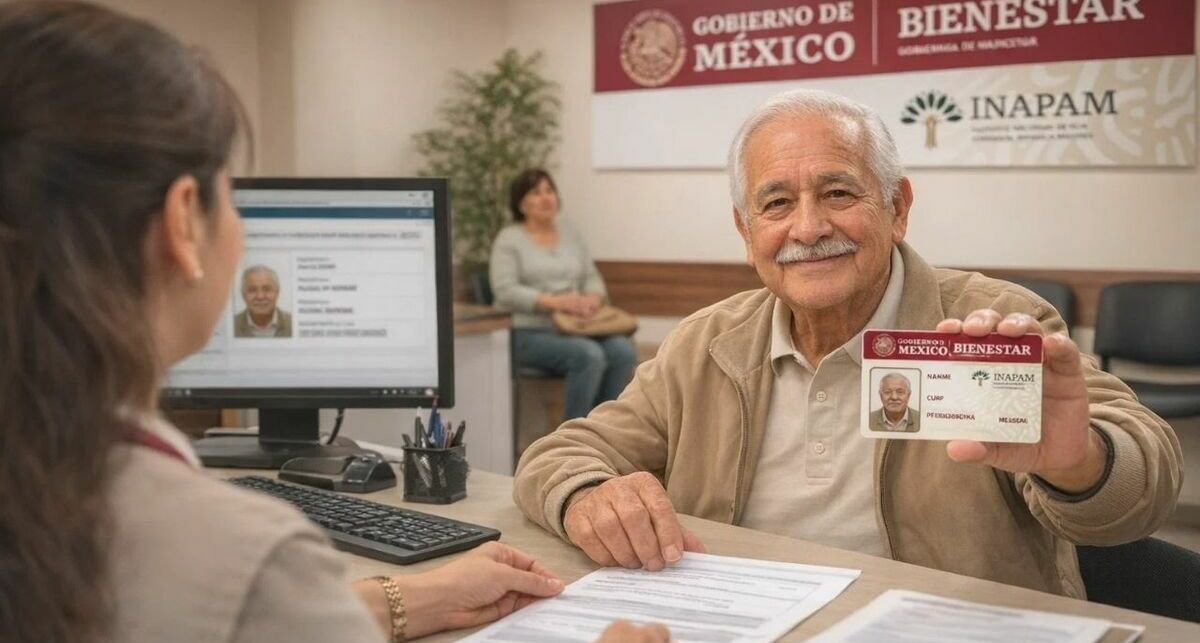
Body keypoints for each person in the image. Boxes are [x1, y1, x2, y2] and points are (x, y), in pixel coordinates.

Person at [0, 3, 668, 643]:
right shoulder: (237, 554)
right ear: (182, 220)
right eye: (230, 192)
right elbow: (255, 604)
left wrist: (412, 597)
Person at [513, 88, 1182, 597]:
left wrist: (1078, 462)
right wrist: (584, 494)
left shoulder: (993, 321)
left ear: (897, 208)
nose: (807, 227)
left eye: (838, 192)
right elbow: (563, 452)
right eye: (775, 205)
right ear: (746, 234)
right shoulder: (704, 343)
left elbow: (1143, 480)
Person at [490, 169, 638, 420]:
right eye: (536, 192)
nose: (546, 198)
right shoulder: (509, 239)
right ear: (521, 203)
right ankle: (572, 440)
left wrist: (592, 299)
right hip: (527, 331)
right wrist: (556, 303)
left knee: (622, 351)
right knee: (588, 355)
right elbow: (505, 290)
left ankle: (605, 432)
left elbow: (591, 276)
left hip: (577, 325)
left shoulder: (570, 233)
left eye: (550, 190)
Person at [233, 264, 293, 337]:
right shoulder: (232, 325)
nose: (260, 296)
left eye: (267, 289)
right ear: (243, 295)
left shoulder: (293, 323)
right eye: (252, 290)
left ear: (277, 292)